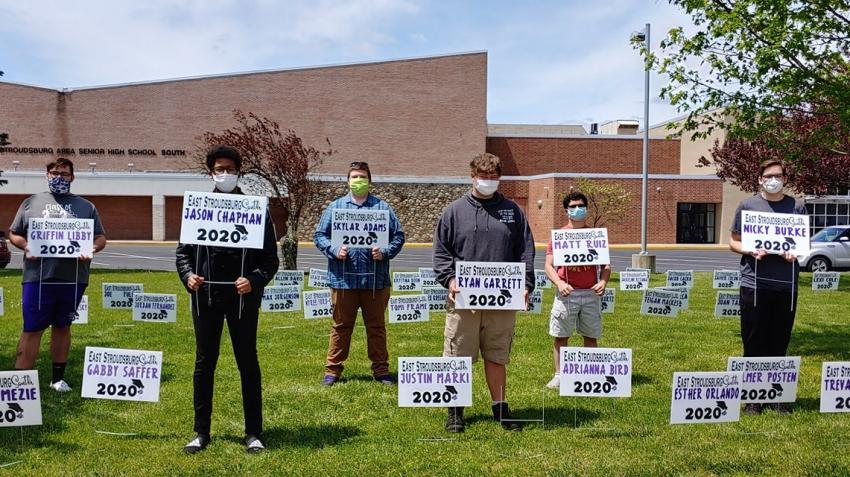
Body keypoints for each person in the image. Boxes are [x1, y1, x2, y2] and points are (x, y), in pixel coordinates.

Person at [176, 145, 279, 454]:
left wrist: (255, 280)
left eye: (230, 169)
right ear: (211, 172)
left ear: (239, 172)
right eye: (219, 169)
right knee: (204, 363)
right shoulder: (197, 208)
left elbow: (270, 260)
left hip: (242, 301)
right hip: (205, 299)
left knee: (247, 363)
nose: (224, 174)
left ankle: (253, 432)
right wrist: (188, 276)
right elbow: (183, 253)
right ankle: (200, 431)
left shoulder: (256, 210)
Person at [432, 152, 535, 433]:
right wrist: (449, 279)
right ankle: (455, 411)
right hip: (463, 299)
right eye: (483, 177)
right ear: (472, 176)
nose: (488, 182)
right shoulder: (453, 211)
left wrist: (526, 284)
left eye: (493, 178)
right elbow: (442, 253)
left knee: (497, 355)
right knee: (457, 357)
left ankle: (500, 408)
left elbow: (525, 250)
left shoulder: (513, 212)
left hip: (502, 299)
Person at [8, 158, 107, 393]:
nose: (59, 177)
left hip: (73, 277)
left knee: (63, 325)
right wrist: (26, 246)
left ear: (72, 177)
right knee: (32, 327)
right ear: (47, 175)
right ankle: (21, 383)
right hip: (38, 276)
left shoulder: (86, 206)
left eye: (64, 173)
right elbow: (14, 233)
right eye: (54, 173)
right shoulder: (31, 203)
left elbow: (101, 237)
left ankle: (57, 379)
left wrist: (91, 249)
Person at [314, 161, 405, 386]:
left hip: (375, 281)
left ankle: (381, 371)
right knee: (341, 327)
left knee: (376, 328)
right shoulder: (335, 208)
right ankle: (332, 371)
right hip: (342, 280)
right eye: (354, 177)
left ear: (369, 180)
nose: (358, 181)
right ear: (348, 181)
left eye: (362, 177)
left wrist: (385, 252)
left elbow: (398, 236)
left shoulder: (383, 208)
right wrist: (334, 249)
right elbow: (319, 235)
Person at [729, 159, 805, 415]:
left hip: (786, 286)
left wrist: (794, 253)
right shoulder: (748, 205)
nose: (774, 179)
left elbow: (802, 243)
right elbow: (734, 241)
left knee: (779, 341)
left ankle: (777, 395)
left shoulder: (797, 205)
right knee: (754, 342)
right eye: (768, 175)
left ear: (785, 177)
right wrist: (750, 249)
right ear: (760, 178)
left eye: (778, 175)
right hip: (755, 283)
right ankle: (753, 398)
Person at [544, 191, 611, 389]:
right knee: (561, 335)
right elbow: (548, 266)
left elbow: (606, 266)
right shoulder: (559, 236)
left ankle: (590, 373)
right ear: (566, 211)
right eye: (572, 206)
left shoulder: (595, 236)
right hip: (567, 294)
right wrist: (560, 283)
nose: (577, 209)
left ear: (586, 208)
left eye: (580, 205)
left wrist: (604, 282)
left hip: (591, 294)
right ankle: (559, 374)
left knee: (591, 336)